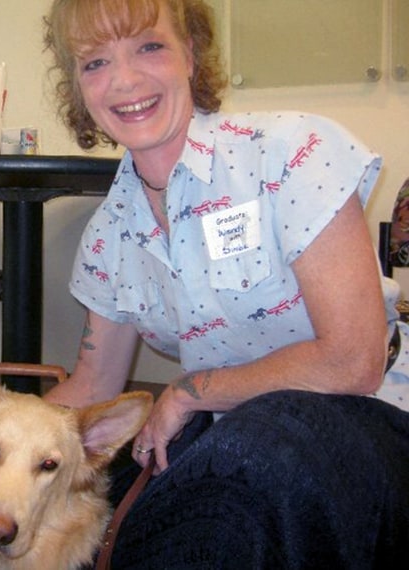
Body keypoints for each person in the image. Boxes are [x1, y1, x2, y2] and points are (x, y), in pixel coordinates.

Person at [43, 0, 409, 567]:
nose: (125, 80)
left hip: (373, 413)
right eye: (94, 63)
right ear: (78, 88)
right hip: (238, 429)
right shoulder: (107, 236)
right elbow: (92, 386)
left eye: (149, 46)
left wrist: (191, 392)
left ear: (190, 53)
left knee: (233, 488)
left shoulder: (290, 154)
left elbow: (354, 361)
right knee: (117, 498)